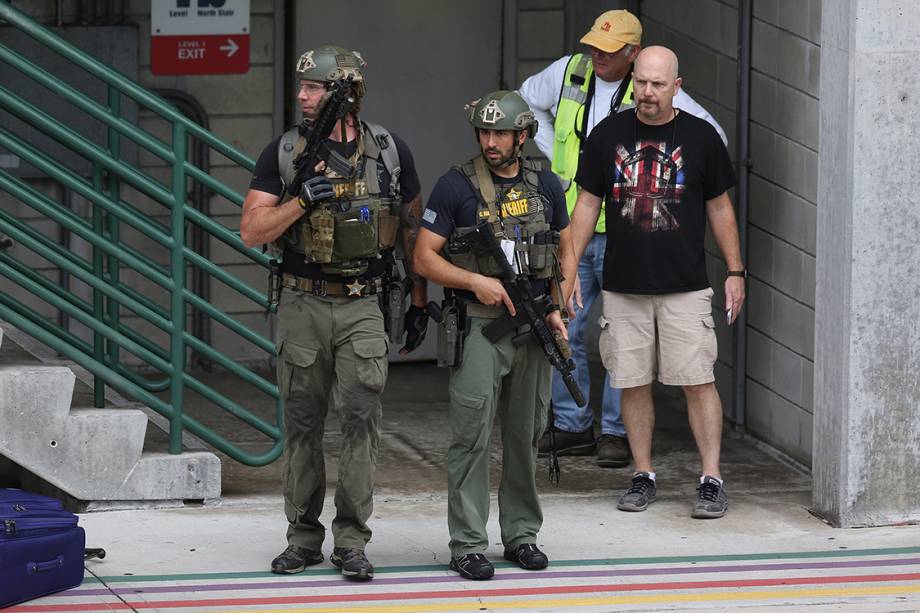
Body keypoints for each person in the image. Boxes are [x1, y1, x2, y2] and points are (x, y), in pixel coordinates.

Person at [240, 45, 428, 580]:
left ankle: (351, 540)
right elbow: (251, 230)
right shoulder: (285, 153)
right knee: (302, 424)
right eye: (301, 86)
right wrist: (300, 199)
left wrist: (418, 300)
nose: (302, 96)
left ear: (347, 91)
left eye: (314, 87)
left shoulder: (391, 152)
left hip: (364, 302)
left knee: (362, 422)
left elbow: (411, 233)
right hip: (303, 301)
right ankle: (302, 538)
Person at [519, 9, 726, 468]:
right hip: (575, 223)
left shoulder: (655, 89)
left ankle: (614, 433)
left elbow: (715, 142)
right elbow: (524, 102)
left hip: (629, 234)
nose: (596, 56)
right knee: (563, 322)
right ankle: (572, 425)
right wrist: (556, 152)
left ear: (633, 55)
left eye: (609, 52)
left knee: (619, 341)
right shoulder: (569, 70)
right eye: (593, 45)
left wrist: (671, 190)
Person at [564, 46, 745, 519]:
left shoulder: (702, 137)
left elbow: (720, 207)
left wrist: (735, 270)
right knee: (633, 382)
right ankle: (642, 475)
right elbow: (586, 206)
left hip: (685, 286)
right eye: (641, 82)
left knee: (698, 380)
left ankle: (711, 479)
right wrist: (567, 271)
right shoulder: (608, 134)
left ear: (676, 87)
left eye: (657, 84)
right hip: (624, 286)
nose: (646, 92)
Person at [414, 91, 573, 580]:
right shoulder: (454, 186)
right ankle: (467, 542)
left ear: (522, 136)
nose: (490, 141)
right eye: (484, 133)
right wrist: (475, 282)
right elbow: (423, 257)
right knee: (472, 434)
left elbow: (562, 248)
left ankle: (522, 534)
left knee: (526, 433)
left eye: (500, 133)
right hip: (481, 326)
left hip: (533, 322)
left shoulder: (545, 183)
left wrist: (557, 308)